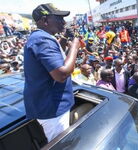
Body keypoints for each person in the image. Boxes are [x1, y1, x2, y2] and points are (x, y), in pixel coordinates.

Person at [23, 3, 80, 142]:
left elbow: (52, 59)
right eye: (59, 18)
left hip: (47, 104)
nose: (64, 22)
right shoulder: (43, 40)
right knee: (61, 144)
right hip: (52, 109)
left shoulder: (41, 37)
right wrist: (75, 48)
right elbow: (61, 74)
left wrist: (65, 39)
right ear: (44, 21)